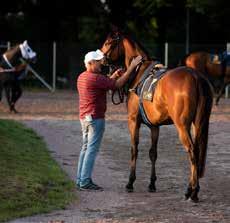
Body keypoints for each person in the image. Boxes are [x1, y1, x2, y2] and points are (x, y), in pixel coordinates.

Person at [76, 49, 142, 191]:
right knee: (91, 149)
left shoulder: (82, 77)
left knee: (85, 147)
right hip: (95, 118)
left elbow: (104, 84)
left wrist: (112, 76)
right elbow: (116, 86)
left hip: (85, 118)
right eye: (98, 62)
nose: (101, 64)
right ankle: (85, 182)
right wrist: (132, 67)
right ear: (90, 63)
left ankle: (80, 179)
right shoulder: (95, 78)